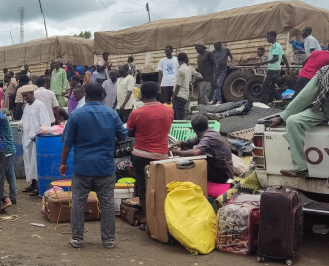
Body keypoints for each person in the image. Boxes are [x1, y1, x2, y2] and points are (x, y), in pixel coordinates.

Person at [60, 83, 128, 249]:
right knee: (107, 204)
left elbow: (67, 143)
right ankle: (108, 239)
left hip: (82, 167)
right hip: (104, 167)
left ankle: (77, 238)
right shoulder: (111, 114)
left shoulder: (76, 115)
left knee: (78, 203)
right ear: (103, 96)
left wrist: (63, 163)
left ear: (86, 95)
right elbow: (123, 135)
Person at [126, 82, 174, 229]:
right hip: (161, 155)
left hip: (141, 154)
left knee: (143, 187)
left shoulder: (136, 113)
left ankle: (146, 219)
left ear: (141, 95)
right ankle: (160, 217)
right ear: (158, 93)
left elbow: (129, 132)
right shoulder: (169, 111)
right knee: (159, 188)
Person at [269, 65, 329, 177]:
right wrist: (283, 116)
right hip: (323, 109)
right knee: (293, 121)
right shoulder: (325, 71)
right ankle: (300, 168)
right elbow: (305, 95)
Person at [170, 114, 234, 183]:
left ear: (195, 130)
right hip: (218, 167)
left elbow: (196, 152)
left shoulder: (209, 136)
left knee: (194, 163)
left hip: (223, 174)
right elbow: (191, 142)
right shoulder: (206, 132)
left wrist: (177, 152)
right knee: (186, 150)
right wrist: (182, 143)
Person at [19, 85, 51, 196]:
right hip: (27, 138)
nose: (25, 98)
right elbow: (24, 119)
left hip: (36, 139)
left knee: (36, 164)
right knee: (29, 163)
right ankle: (32, 184)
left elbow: (45, 123)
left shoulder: (39, 105)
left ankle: (38, 186)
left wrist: (36, 134)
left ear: (32, 94)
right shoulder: (27, 106)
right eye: (23, 97)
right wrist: (20, 125)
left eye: (26, 96)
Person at [255, 31, 290, 104]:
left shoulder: (275, 46)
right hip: (277, 71)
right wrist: (288, 68)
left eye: (268, 37)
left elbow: (275, 58)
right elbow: (284, 57)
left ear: (273, 37)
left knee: (265, 88)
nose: (267, 39)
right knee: (272, 88)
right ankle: (281, 101)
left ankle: (264, 105)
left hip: (272, 70)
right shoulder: (279, 46)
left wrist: (261, 63)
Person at [172, 53, 193, 120]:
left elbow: (178, 85)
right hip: (185, 95)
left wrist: (174, 96)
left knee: (179, 117)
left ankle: (180, 129)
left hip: (179, 95)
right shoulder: (189, 69)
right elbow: (190, 82)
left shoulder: (180, 70)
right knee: (177, 113)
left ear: (178, 60)